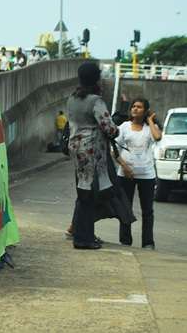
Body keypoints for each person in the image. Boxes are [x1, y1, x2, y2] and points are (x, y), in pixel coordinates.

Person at [66, 62, 118, 249]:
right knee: (88, 196)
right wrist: (116, 129)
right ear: (96, 78)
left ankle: (83, 234)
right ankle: (83, 238)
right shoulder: (96, 101)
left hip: (76, 149)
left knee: (83, 193)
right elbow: (109, 128)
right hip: (91, 153)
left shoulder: (71, 98)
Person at [114, 98, 162, 249]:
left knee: (147, 210)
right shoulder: (124, 127)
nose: (135, 109)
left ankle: (148, 242)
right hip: (125, 174)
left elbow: (158, 137)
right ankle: (125, 240)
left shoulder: (150, 128)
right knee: (125, 208)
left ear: (145, 110)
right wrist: (124, 166)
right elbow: (114, 150)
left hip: (147, 175)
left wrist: (150, 120)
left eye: (139, 107)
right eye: (133, 106)